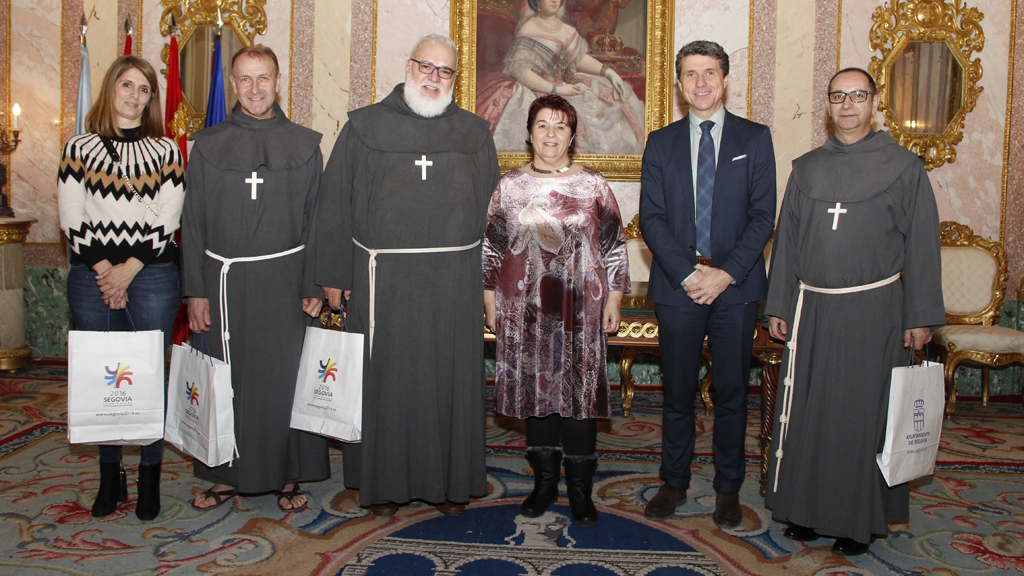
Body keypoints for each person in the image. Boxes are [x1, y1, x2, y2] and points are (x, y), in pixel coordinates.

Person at [314, 33, 500, 517]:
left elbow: (493, 216)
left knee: (449, 380)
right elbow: (334, 203)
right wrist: (334, 273)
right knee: (385, 384)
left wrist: (490, 285)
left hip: (453, 282)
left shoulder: (475, 133)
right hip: (382, 283)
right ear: (408, 65)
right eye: (427, 67)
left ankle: (448, 483)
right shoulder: (364, 128)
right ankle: (383, 483)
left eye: (446, 71)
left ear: (456, 79)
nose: (434, 78)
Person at [763, 67, 945, 556]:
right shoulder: (806, 169)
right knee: (808, 412)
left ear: (874, 102)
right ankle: (802, 509)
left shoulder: (905, 168)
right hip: (813, 311)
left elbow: (923, 247)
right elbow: (786, 245)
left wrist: (919, 316)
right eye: (838, 96)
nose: (847, 104)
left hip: (875, 311)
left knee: (860, 417)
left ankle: (855, 519)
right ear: (828, 105)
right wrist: (778, 302)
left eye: (858, 95)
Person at [181, 45, 329, 512]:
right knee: (226, 379)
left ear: (279, 81)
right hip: (222, 284)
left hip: (286, 283)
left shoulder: (305, 146)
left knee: (283, 380)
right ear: (232, 84)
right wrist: (195, 291)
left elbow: (316, 222)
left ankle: (289, 475)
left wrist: (313, 285)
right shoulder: (206, 145)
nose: (255, 89)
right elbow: (194, 222)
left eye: (263, 78)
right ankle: (224, 475)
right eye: (244, 80)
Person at [638, 40, 776, 527]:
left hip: (735, 287)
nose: (700, 82)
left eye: (710, 73)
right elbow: (650, 219)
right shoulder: (661, 141)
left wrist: (724, 274)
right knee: (676, 391)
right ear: (679, 83)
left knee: (733, 391)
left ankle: (727, 488)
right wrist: (691, 273)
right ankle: (673, 482)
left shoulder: (755, 139)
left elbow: (763, 217)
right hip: (679, 286)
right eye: (691, 74)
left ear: (724, 79)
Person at [482, 94, 630, 527]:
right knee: (536, 395)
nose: (551, 133)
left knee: (579, 399)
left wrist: (615, 299)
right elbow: (491, 246)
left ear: (572, 134)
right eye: (542, 125)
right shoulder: (508, 186)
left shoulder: (593, 185)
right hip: (523, 308)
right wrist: (490, 300)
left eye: (560, 126)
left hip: (580, 309)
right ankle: (544, 484)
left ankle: (581, 493)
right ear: (529, 132)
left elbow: (614, 246)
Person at [58, 55, 185, 521]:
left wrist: (127, 270)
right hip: (92, 276)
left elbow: (167, 216)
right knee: (102, 379)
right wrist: (106, 271)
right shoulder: (79, 147)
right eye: (127, 85)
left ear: (152, 98)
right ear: (110, 89)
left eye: (144, 89)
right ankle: (110, 475)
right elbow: (73, 217)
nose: (134, 96)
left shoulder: (166, 151)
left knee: (147, 376)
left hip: (150, 274)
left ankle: (150, 475)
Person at [476, 0, 645, 154]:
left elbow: (578, 59)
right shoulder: (529, 29)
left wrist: (608, 72)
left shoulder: (566, 30)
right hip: (537, 89)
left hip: (569, 84)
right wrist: (557, 89)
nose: (554, 0)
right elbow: (523, 73)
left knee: (610, 109)